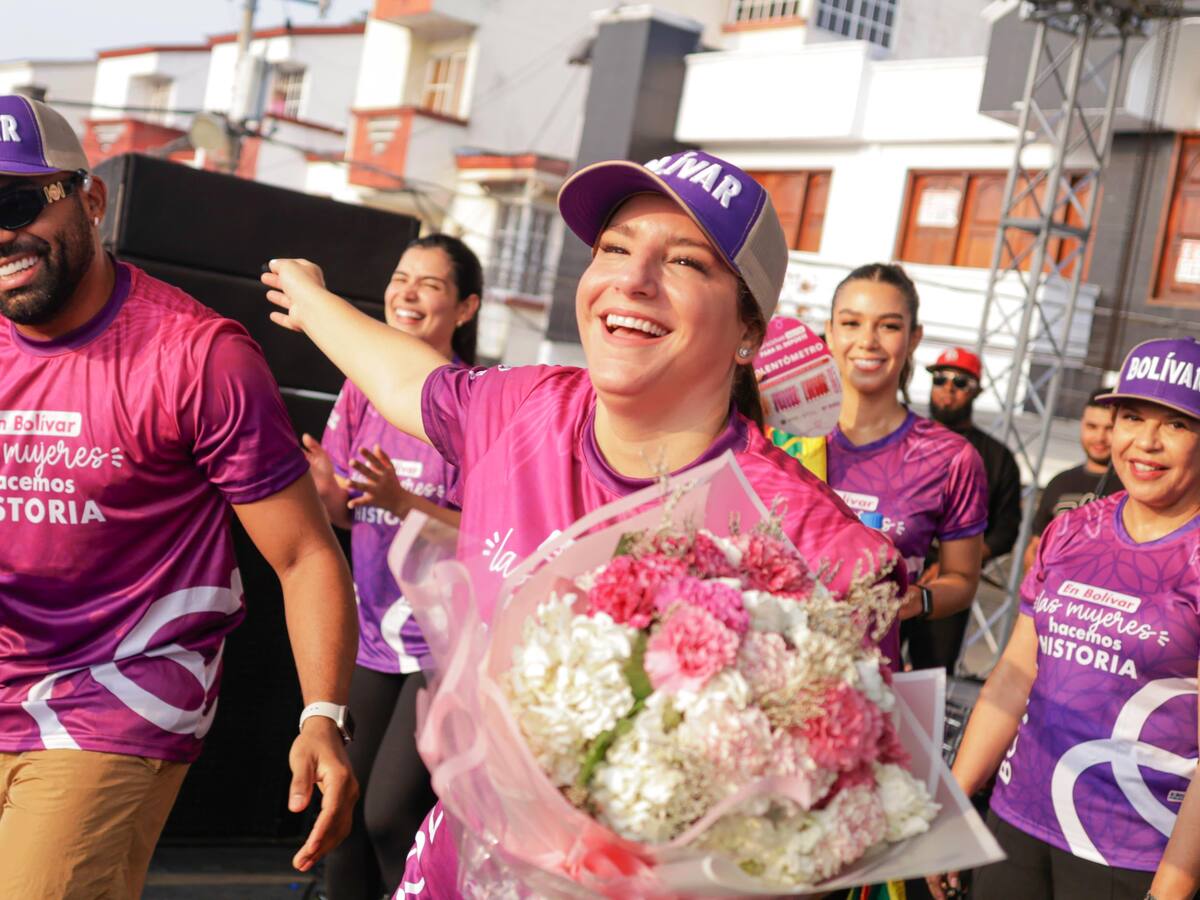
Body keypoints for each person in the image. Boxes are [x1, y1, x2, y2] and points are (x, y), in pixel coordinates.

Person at [260, 148, 907, 897]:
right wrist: (307, 299)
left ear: (749, 335)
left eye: (687, 263)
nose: (632, 280)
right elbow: (404, 375)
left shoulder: (815, 546)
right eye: (614, 249)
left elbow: (839, 813)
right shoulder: (521, 409)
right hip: (454, 872)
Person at [0, 95, 358, 899]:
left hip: (117, 692)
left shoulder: (199, 358)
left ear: (90, 200)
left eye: (17, 202)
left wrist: (322, 715)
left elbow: (304, 555)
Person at [928, 336, 1200, 900]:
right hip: (1017, 820)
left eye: (1176, 424)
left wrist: (1172, 888)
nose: (1144, 442)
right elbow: (1014, 673)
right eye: (1131, 416)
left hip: (1133, 851)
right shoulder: (1074, 528)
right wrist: (953, 806)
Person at [309, 234, 480, 900]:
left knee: (387, 815)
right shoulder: (360, 390)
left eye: (429, 285)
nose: (406, 294)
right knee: (341, 812)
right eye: (401, 278)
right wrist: (320, 487)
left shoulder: (474, 403)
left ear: (464, 308)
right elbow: (350, 514)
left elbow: (487, 534)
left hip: (441, 643)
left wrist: (401, 501)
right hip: (371, 633)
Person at [823, 264, 988, 669]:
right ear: (829, 331)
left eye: (889, 326)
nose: (867, 341)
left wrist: (918, 600)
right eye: (851, 323)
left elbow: (962, 580)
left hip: (865, 683)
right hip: (760, 672)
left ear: (914, 337)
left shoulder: (950, 458)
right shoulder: (778, 435)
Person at [907, 346, 1022, 672]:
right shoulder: (906, 437)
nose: (947, 389)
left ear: (977, 392)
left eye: (960, 383)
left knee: (929, 676)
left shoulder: (996, 457)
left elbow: (1006, 530)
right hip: (894, 573)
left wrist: (952, 565)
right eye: (940, 379)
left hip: (946, 586)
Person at [1022, 388, 1122, 570]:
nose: (1100, 438)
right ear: (1081, 425)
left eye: (1110, 429)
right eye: (1092, 427)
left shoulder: (1134, 488)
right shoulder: (1060, 483)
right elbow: (1035, 547)